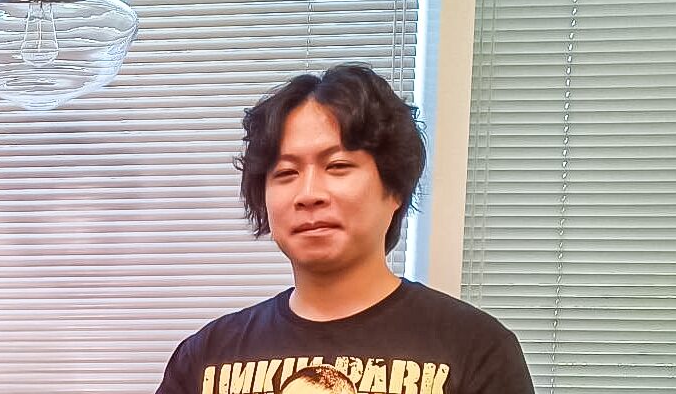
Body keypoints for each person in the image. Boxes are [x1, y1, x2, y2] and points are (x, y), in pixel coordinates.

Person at [155, 64, 534, 394]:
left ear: (394, 190)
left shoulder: (474, 349)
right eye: (286, 173)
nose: (309, 194)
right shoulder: (206, 358)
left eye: (337, 166)